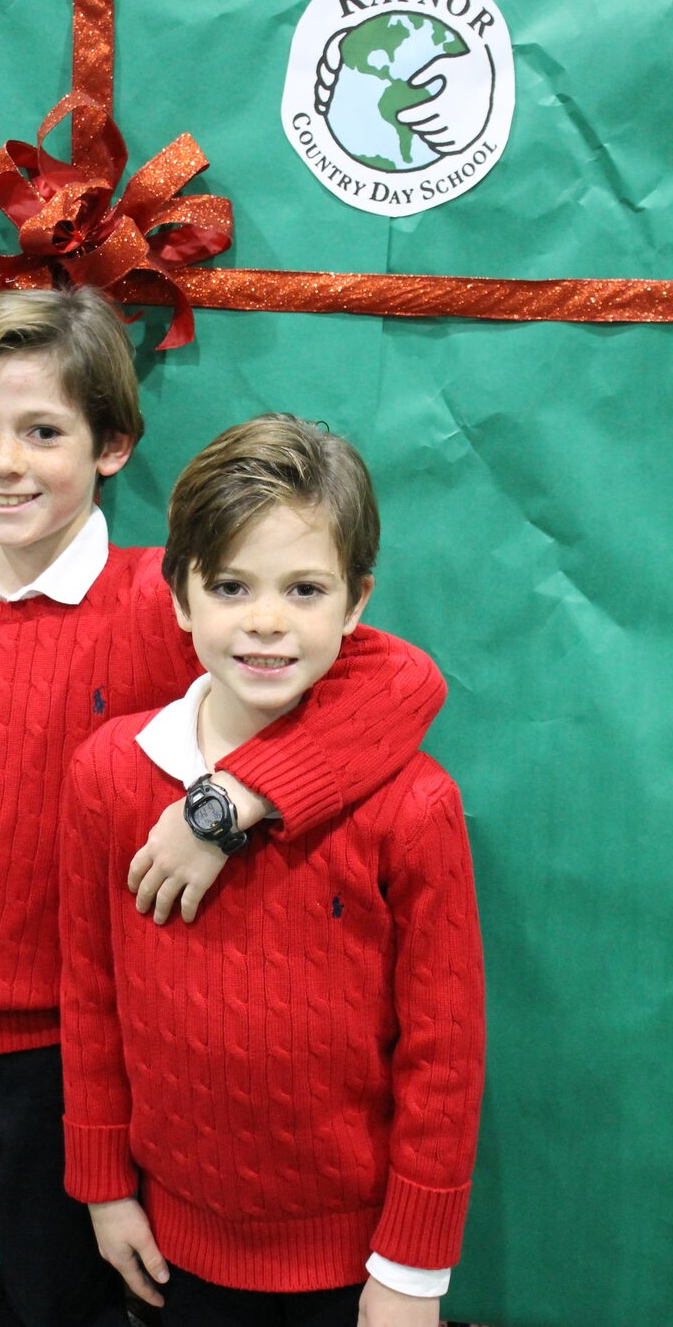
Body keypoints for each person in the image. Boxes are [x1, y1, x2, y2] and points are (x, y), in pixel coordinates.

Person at [0, 289, 446, 1327]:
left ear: (111, 447)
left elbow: (399, 682)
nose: (5, 462)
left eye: (43, 431)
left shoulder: (166, 601)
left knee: (73, 1303)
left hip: (73, 1062)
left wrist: (232, 798)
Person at [59, 413, 485, 1327]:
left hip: (356, 1254)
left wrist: (412, 1269)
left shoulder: (415, 807)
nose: (265, 622)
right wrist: (102, 1184)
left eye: (303, 589)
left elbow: (443, 1056)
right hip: (175, 1236)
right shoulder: (107, 774)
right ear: (179, 597)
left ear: (356, 603)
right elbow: (90, 993)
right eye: (230, 586)